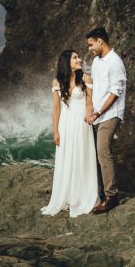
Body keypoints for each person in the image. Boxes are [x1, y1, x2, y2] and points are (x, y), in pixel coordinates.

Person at [41, 49, 100, 216]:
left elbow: (89, 101)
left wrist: (89, 116)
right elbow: (56, 108)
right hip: (66, 125)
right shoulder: (57, 82)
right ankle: (67, 195)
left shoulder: (86, 78)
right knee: (67, 157)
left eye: (78, 57)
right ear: (66, 62)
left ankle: (82, 196)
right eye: (75, 58)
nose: (79, 59)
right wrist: (56, 131)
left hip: (82, 123)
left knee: (82, 156)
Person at [84, 27, 127, 213]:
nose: (90, 48)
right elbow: (94, 85)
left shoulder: (115, 62)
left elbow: (116, 92)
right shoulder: (96, 61)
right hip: (98, 114)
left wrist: (99, 111)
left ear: (100, 41)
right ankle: (101, 192)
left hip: (110, 114)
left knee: (103, 151)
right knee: (97, 153)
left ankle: (111, 196)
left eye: (91, 44)